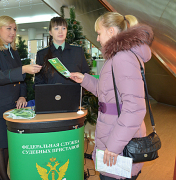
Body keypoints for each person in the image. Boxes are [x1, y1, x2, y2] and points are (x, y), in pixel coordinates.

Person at [70, 12, 154, 180]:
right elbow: (109, 95)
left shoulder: (123, 57)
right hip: (114, 129)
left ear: (111, 31)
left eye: (99, 33)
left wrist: (113, 146)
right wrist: (85, 79)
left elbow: (134, 108)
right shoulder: (120, 55)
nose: (98, 38)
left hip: (117, 137)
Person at [0, 15, 41, 180]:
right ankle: (3, 177)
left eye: (14, 29)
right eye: (8, 28)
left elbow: (21, 79)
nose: (13, 32)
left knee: (8, 144)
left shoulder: (13, 52)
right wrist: (23, 69)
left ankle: (3, 176)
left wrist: (23, 96)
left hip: (14, 107)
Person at [34, 16, 90, 85]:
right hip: (51, 94)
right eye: (56, 28)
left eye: (63, 28)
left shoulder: (77, 51)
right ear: (50, 32)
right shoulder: (42, 54)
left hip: (73, 94)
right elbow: (38, 81)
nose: (60, 32)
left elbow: (86, 75)